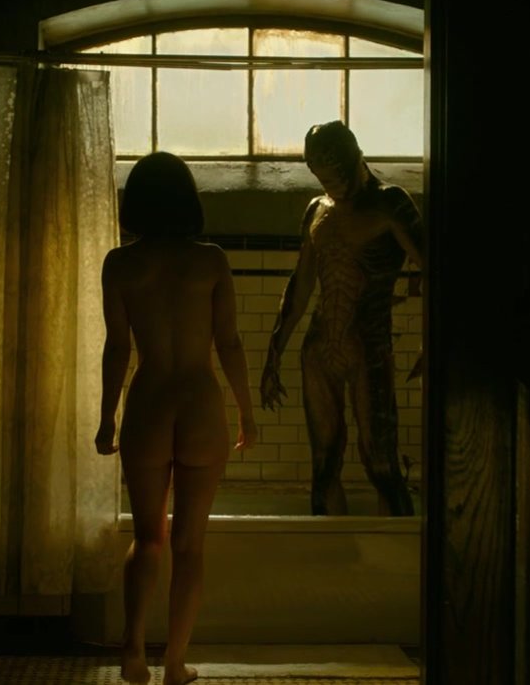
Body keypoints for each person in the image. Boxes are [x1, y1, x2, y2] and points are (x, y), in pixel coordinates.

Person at [95, 151, 258, 685]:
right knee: (189, 544)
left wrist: (106, 418)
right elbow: (229, 342)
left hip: (148, 405)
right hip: (199, 406)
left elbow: (118, 347)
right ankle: (174, 662)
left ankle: (133, 652)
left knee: (148, 539)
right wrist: (246, 411)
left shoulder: (120, 264)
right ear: (188, 201)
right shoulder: (210, 261)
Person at [260, 120, 425, 517]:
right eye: (319, 174)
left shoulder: (390, 204)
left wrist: (431, 341)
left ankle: (399, 552)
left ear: (354, 160)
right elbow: (301, 286)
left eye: (334, 174)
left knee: (381, 463)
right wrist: (274, 351)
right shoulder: (317, 211)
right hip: (319, 349)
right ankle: (328, 553)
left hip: (368, 345)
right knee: (323, 464)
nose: (328, 183)